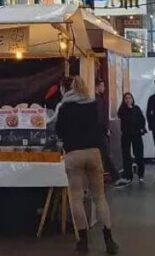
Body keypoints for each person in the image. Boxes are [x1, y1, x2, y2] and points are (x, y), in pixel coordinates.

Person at [55, 76, 118, 254]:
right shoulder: (92, 105)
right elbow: (99, 126)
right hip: (94, 152)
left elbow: (58, 130)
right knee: (99, 197)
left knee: (76, 198)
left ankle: (82, 242)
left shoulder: (65, 107)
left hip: (74, 153)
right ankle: (109, 240)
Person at [93, 79, 120, 184]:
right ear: (97, 86)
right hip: (99, 131)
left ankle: (112, 176)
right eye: (102, 85)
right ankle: (115, 176)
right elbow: (100, 116)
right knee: (105, 154)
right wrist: (106, 129)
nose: (104, 88)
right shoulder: (98, 100)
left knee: (103, 154)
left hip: (98, 131)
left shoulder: (98, 99)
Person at [116, 92, 146, 185]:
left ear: (132, 99)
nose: (128, 100)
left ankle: (141, 174)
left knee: (139, 154)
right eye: (126, 98)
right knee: (126, 155)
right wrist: (128, 110)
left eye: (130, 98)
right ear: (124, 100)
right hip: (126, 135)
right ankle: (128, 175)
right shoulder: (122, 110)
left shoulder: (136, 109)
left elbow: (142, 120)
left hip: (136, 134)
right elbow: (125, 119)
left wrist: (141, 127)